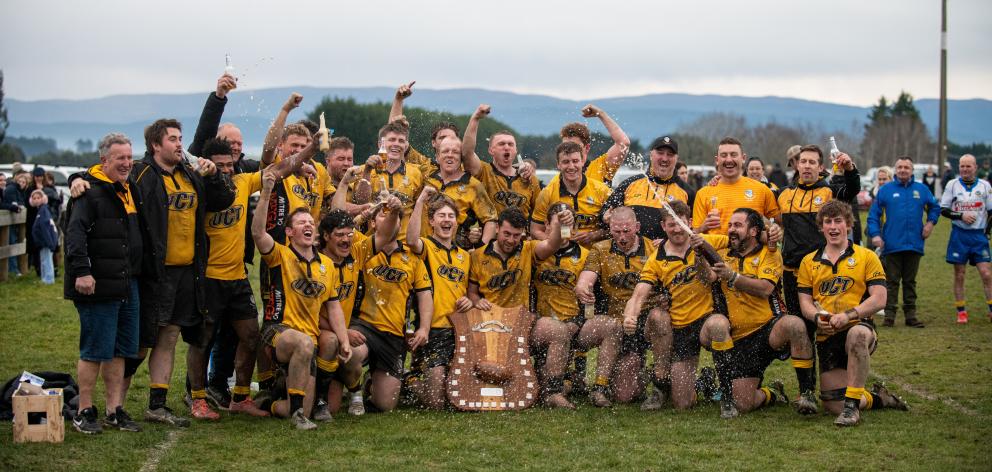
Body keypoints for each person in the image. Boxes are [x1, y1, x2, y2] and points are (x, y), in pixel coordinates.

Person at [71, 119, 236, 428]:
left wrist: (213, 176)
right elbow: (103, 177)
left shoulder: (190, 173)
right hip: (153, 273)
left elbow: (224, 199)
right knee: (139, 342)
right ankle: (111, 404)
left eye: (180, 138)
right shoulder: (141, 174)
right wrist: (76, 177)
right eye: (172, 139)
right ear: (155, 145)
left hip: (188, 272)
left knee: (169, 336)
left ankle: (154, 404)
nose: (179, 144)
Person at [252, 170, 352, 430]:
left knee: (290, 405)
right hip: (278, 332)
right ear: (289, 232)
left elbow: (334, 308)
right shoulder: (280, 255)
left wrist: (344, 340)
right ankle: (299, 416)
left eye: (311, 222)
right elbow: (257, 232)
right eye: (301, 223)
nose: (308, 225)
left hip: (308, 340)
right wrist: (265, 193)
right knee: (304, 343)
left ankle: (271, 402)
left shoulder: (327, 265)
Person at [622, 200, 739, 418]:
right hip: (680, 328)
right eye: (670, 224)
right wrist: (630, 316)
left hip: (705, 320)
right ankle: (698, 381)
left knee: (719, 324)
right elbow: (639, 294)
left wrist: (768, 236)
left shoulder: (706, 242)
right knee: (683, 403)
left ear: (690, 223)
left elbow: (710, 277)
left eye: (680, 223)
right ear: (663, 227)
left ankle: (727, 397)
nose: (676, 229)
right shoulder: (657, 259)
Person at [798, 200, 909, 426]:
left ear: (848, 224)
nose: (833, 226)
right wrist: (818, 318)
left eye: (838, 221)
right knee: (831, 404)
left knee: (856, 335)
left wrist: (848, 315)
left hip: (859, 327)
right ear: (821, 227)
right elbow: (805, 302)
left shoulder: (866, 256)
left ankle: (851, 410)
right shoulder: (809, 262)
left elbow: (880, 298)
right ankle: (879, 398)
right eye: (827, 222)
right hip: (827, 336)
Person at [64, 133, 145, 434]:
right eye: (119, 158)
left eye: (129, 157)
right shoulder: (88, 192)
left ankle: (115, 409)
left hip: (127, 283)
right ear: (103, 161)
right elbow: (74, 235)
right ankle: (84, 410)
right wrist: (83, 272)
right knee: (95, 350)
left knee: (121, 350)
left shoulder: (130, 188)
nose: (126, 163)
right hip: (96, 285)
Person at [710, 208, 818, 415]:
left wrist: (732, 277)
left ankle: (806, 393)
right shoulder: (722, 252)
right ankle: (773, 394)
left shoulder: (770, 252)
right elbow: (697, 238)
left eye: (738, 225)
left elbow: (765, 289)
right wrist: (698, 241)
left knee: (794, 324)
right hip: (738, 338)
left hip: (768, 330)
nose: (731, 229)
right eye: (730, 225)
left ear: (753, 232)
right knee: (743, 403)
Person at [467, 206, 569, 406]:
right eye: (506, 234)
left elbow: (552, 245)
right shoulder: (477, 256)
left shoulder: (528, 249)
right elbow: (471, 292)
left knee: (558, 331)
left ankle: (552, 392)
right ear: (497, 228)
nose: (511, 240)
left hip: (523, 324)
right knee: (500, 381)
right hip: (491, 328)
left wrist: (559, 225)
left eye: (516, 235)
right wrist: (477, 301)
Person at [349, 193, 433, 413]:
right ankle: (354, 391)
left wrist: (423, 328)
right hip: (364, 327)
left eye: (396, 217)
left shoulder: (412, 258)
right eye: (385, 215)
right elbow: (340, 223)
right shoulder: (361, 246)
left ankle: (370, 382)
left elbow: (424, 294)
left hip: (394, 335)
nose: (392, 221)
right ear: (373, 222)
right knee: (352, 352)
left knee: (385, 405)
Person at [574, 207, 657, 408]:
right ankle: (599, 387)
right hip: (615, 323)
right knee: (624, 396)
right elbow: (586, 278)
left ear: (637, 227)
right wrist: (583, 288)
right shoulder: (600, 249)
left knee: (626, 395)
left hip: (643, 321)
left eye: (626, 231)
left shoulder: (653, 249)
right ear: (610, 229)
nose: (622, 237)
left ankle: (656, 376)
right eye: (617, 231)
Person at [777, 145, 860, 345]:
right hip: (792, 273)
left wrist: (850, 168)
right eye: (803, 161)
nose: (806, 166)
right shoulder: (783, 194)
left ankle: (832, 371)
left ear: (820, 167)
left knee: (827, 328)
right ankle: (806, 377)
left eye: (812, 162)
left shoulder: (830, 192)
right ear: (796, 165)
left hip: (822, 272)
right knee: (799, 332)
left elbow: (852, 189)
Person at [405, 190, 474, 409]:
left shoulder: (464, 256)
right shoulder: (426, 247)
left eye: (450, 216)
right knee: (436, 403)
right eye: (442, 216)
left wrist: (469, 301)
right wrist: (420, 201)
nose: (446, 220)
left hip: (460, 330)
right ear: (432, 221)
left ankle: (424, 376)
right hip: (432, 329)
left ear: (456, 222)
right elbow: (410, 239)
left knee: (461, 399)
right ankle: (409, 381)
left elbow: (469, 293)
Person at [867, 156, 939, 328]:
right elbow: (873, 215)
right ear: (895, 169)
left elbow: (935, 207)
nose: (903, 170)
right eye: (900, 167)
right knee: (891, 281)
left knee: (910, 281)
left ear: (912, 170)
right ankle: (889, 316)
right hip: (891, 244)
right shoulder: (886, 190)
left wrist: (930, 223)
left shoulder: (921, 190)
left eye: (906, 167)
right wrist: (876, 235)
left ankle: (911, 316)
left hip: (915, 243)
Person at [529, 203, 587, 409]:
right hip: (538, 324)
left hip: (572, 322)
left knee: (560, 384)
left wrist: (580, 321)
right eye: (558, 223)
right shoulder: (534, 251)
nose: (563, 229)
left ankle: (572, 379)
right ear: (546, 225)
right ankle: (557, 383)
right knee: (535, 389)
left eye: (567, 223)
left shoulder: (585, 255)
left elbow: (590, 302)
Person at [601, 136, 695, 240]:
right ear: (651, 155)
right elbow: (604, 214)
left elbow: (694, 230)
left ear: (676, 158)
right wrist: (604, 217)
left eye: (670, 154)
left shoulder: (687, 192)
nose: (664, 158)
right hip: (632, 254)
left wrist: (667, 244)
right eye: (660, 153)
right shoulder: (629, 184)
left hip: (668, 255)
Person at [461, 105, 541, 217]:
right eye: (501, 144)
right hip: (492, 233)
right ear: (491, 150)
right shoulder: (484, 171)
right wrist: (475, 119)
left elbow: (541, 213)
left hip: (520, 234)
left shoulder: (529, 178)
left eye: (510, 144)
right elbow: (466, 153)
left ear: (516, 150)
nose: (507, 147)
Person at [939, 154, 992, 324]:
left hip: (978, 236)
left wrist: (987, 231)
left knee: (986, 274)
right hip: (959, 236)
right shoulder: (952, 185)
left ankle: (991, 308)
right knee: (960, 274)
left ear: (975, 167)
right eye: (962, 166)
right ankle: (961, 311)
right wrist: (961, 215)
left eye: (968, 166)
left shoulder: (985, 186)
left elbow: (991, 212)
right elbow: (944, 210)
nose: (964, 169)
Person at [420, 136, 498, 249]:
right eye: (445, 151)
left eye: (455, 152)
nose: (450, 155)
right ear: (437, 156)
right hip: (423, 248)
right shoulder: (425, 176)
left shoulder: (473, 185)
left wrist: (481, 251)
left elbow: (491, 220)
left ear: (461, 157)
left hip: (456, 253)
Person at [694, 137, 779, 235]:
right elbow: (694, 235)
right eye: (724, 155)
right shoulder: (703, 194)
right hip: (716, 250)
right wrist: (703, 227)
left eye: (734, 155)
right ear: (717, 160)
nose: (729, 159)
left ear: (743, 158)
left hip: (754, 250)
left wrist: (774, 229)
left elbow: (778, 223)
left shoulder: (762, 190)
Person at [531, 142, 612, 245]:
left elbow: (619, 228)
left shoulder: (603, 191)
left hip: (594, 256)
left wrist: (594, 235)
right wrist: (557, 243)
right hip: (559, 256)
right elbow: (535, 231)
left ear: (582, 162)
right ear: (558, 164)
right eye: (565, 162)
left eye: (575, 161)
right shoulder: (547, 193)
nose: (571, 166)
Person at [359, 119, 425, 240]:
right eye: (391, 140)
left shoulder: (416, 173)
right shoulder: (365, 169)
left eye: (401, 141)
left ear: (406, 146)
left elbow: (420, 211)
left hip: (404, 244)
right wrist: (367, 171)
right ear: (380, 144)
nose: (396, 144)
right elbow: (360, 201)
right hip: (373, 243)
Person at [554, 104, 630, 186]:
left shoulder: (600, 168)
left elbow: (623, 143)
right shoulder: (555, 183)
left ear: (587, 148)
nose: (569, 150)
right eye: (565, 146)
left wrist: (600, 114)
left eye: (575, 147)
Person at [29, 189, 57, 284]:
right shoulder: (40, 210)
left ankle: (49, 279)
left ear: (43, 198)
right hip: (43, 242)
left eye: (38, 198)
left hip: (46, 242)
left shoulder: (43, 210)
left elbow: (46, 228)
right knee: (44, 260)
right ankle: (45, 278)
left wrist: (49, 243)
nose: (36, 200)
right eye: (34, 198)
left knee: (47, 260)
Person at [3, 171, 28, 275]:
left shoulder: (19, 191)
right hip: (10, 221)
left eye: (24, 182)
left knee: (16, 244)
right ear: (16, 180)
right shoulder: (12, 189)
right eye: (20, 181)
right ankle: (13, 270)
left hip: (16, 222)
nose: (22, 183)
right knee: (11, 243)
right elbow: (12, 203)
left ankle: (15, 269)